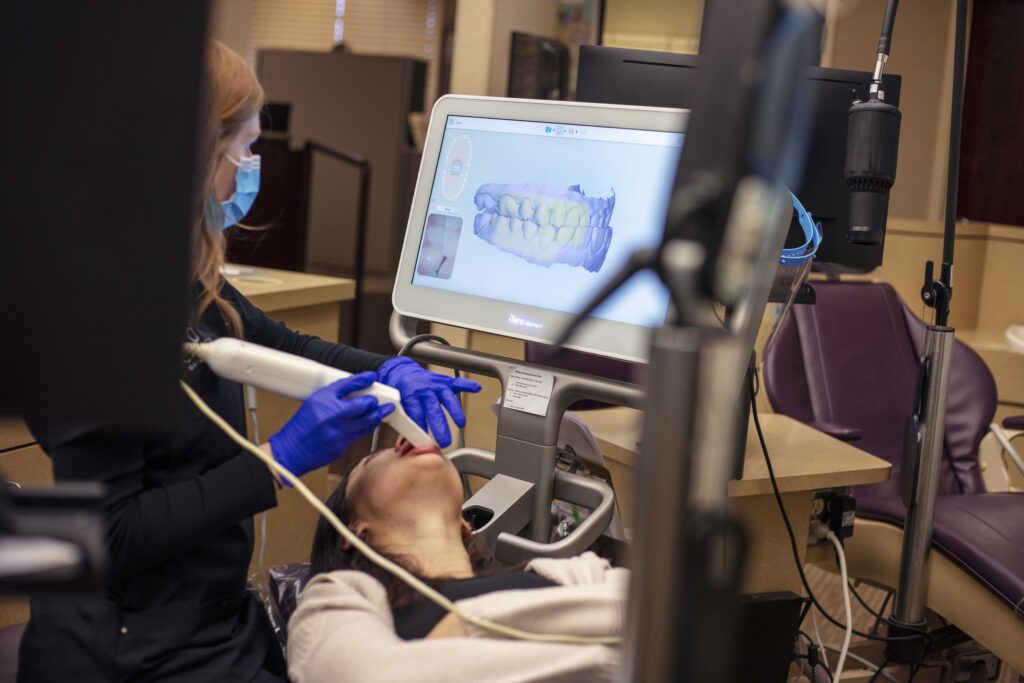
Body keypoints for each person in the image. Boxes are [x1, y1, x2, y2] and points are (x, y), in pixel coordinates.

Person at [17, 40, 479, 683]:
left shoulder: (182, 277)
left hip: (214, 620)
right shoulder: (85, 304)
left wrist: (388, 368)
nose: (252, 168)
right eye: (245, 149)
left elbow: (276, 341)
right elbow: (109, 536)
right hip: (128, 648)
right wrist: (280, 461)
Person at [287, 436, 626, 682]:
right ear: (354, 535)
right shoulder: (337, 594)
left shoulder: (568, 571)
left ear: (466, 526)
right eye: (374, 460)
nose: (406, 439)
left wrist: (461, 629)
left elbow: (670, 621)